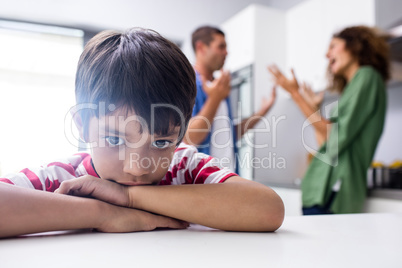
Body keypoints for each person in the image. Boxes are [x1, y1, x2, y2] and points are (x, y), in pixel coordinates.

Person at [0, 28, 284, 238]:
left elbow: (269, 210)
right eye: (115, 139)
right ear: (83, 126)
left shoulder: (184, 166)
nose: (136, 167)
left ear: (180, 135)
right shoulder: (63, 179)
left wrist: (129, 198)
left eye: (161, 142)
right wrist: (102, 213)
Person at [268, 25, 390, 215]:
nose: (327, 54)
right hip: (323, 193)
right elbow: (327, 145)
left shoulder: (367, 77)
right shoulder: (355, 85)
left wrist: (295, 93)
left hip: (333, 193)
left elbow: (333, 136)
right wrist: (315, 109)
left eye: (333, 46)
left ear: (355, 46)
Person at [184, 26, 276, 172]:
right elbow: (190, 138)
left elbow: (227, 135)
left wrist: (262, 112)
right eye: (221, 46)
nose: (226, 52)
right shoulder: (188, 84)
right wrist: (215, 98)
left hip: (228, 179)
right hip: (202, 184)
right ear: (201, 48)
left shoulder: (220, 87)